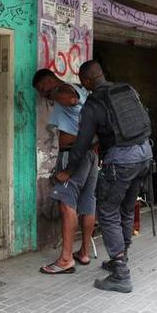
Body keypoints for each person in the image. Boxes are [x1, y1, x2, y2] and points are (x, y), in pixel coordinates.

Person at [55, 60, 152, 293]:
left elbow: (82, 143)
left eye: (82, 81)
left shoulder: (94, 102)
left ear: (87, 81)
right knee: (127, 209)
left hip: (122, 161)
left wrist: (68, 171)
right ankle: (121, 256)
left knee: (107, 211)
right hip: (145, 155)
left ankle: (120, 273)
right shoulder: (126, 90)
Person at [32, 69, 98, 274]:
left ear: (50, 80)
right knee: (87, 203)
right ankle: (84, 252)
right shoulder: (82, 90)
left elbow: (70, 99)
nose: (44, 94)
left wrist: (54, 94)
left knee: (66, 204)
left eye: (43, 89)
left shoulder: (65, 90)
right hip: (89, 154)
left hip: (74, 155)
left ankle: (66, 259)